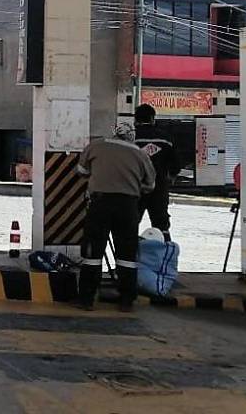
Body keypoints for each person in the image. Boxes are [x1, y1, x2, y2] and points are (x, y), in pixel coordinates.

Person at [76, 122, 156, 312]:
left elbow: (82, 171)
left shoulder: (96, 146)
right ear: (132, 136)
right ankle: (126, 300)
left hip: (100, 204)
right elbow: (150, 185)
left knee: (92, 252)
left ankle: (86, 299)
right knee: (127, 254)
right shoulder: (140, 154)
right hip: (128, 206)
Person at [134, 104, 179, 242]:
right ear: (152, 118)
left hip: (135, 187)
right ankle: (165, 249)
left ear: (136, 119)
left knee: (131, 222)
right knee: (161, 223)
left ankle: (129, 252)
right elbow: (176, 163)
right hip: (159, 187)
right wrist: (171, 176)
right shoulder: (165, 138)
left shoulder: (131, 138)